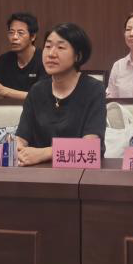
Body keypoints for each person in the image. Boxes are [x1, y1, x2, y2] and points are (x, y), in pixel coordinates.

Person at [15, 23, 106, 165]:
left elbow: (91, 147)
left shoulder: (93, 89)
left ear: (78, 55)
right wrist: (17, 150)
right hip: (36, 172)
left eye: (61, 47)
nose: (51, 54)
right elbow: (20, 138)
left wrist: (46, 153)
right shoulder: (37, 91)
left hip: (79, 173)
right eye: (48, 46)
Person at [0, 11, 43, 101]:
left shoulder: (44, 59)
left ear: (33, 36)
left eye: (20, 33)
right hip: (8, 109)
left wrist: (3, 91)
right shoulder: (4, 60)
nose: (14, 37)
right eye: (11, 32)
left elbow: (42, 96)